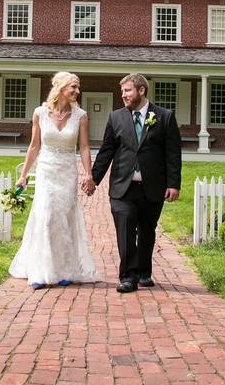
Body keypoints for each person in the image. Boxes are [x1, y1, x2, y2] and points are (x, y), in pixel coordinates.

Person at [81, 73, 181, 293]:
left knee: (147, 231)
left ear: (141, 90)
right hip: (122, 187)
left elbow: (173, 154)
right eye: (122, 91)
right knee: (125, 231)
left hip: (152, 187)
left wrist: (174, 184)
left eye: (127, 90)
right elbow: (107, 151)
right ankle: (127, 276)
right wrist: (93, 179)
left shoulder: (164, 117)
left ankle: (144, 272)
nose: (123, 95)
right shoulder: (116, 118)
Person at [9, 72, 100, 289]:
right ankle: (40, 271)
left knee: (64, 219)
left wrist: (89, 174)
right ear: (60, 88)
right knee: (46, 216)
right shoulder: (40, 113)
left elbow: (84, 147)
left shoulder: (81, 116)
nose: (77, 91)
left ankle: (65, 269)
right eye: (73, 87)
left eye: (78, 87)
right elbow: (34, 146)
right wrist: (23, 176)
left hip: (68, 172)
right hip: (46, 171)